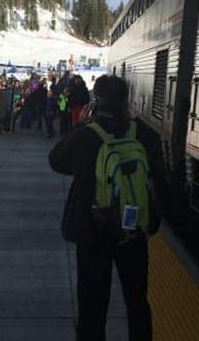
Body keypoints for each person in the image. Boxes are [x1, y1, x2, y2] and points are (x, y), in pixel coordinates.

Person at [48, 75, 166, 341]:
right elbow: (159, 181)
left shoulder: (87, 135)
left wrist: (81, 126)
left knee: (92, 304)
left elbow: (56, 161)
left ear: (96, 101)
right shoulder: (144, 134)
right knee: (137, 301)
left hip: (94, 230)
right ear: (126, 101)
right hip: (133, 229)